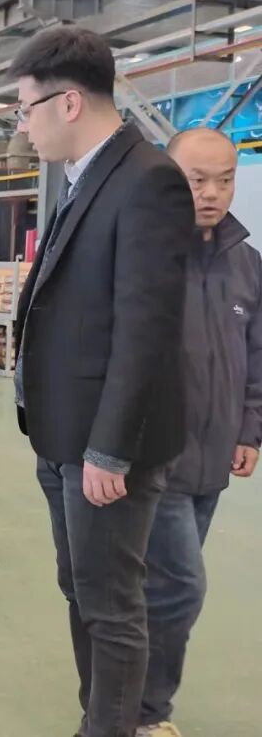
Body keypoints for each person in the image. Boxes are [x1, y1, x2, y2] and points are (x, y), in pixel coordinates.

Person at [9, 26, 194, 737]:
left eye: (26, 109)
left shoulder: (147, 180)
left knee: (112, 605)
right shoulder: (88, 176)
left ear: (69, 102)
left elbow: (147, 330)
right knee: (83, 590)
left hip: (103, 449)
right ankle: (100, 715)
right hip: (64, 434)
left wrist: (110, 450)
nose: (23, 127)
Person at [134, 128, 259, 737]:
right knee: (181, 586)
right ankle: (144, 712)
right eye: (197, 180)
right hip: (154, 458)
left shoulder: (246, 263)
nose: (212, 193)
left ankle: (124, 693)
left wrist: (250, 430)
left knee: (160, 587)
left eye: (225, 180)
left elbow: (255, 357)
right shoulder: (145, 253)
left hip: (214, 459)